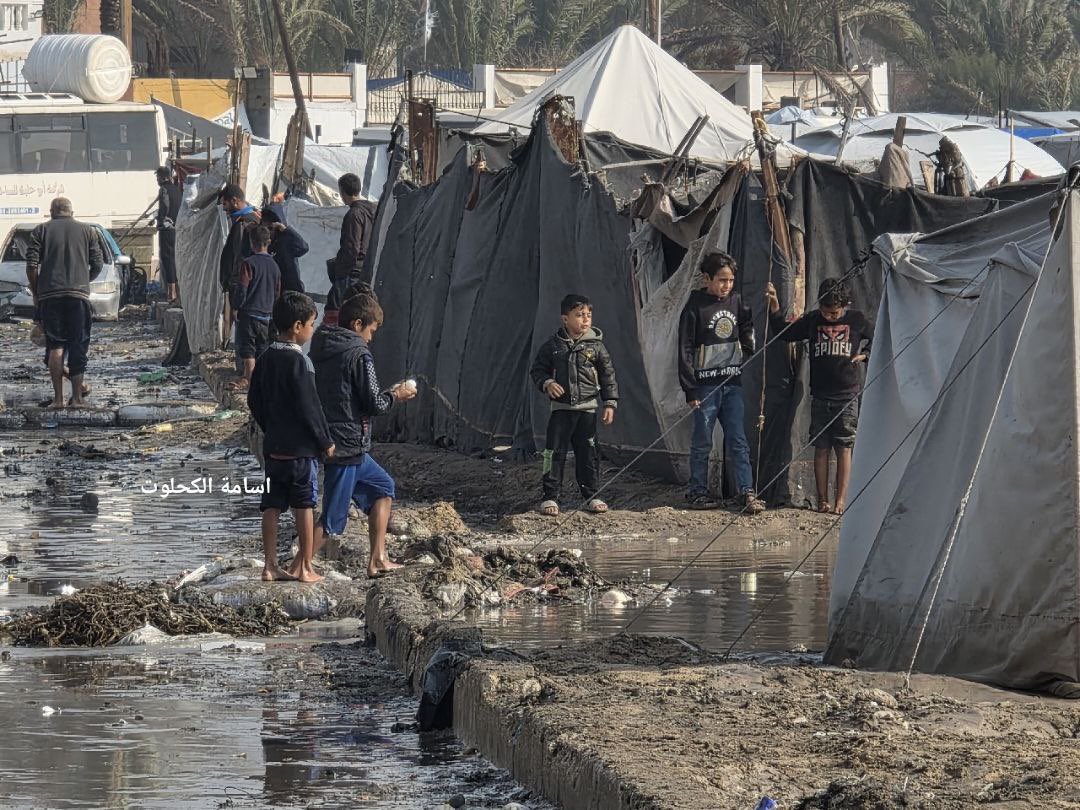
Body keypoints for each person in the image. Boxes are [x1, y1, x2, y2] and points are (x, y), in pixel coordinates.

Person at [309, 293, 415, 578]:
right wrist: (396, 394)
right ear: (358, 324)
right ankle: (300, 565)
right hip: (348, 445)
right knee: (332, 519)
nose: (371, 338)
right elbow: (374, 404)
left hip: (334, 437)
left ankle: (378, 559)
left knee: (383, 487)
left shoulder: (321, 345)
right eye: (371, 330)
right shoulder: (358, 353)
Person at [248, 292, 335, 583]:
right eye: (311, 324)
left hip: (274, 449)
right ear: (298, 326)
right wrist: (325, 441)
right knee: (304, 505)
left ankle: (270, 565)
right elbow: (310, 407)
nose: (312, 330)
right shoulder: (301, 363)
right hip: (300, 452)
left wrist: (269, 425)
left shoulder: (265, 358)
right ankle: (305, 567)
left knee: (271, 505)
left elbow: (253, 400)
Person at [767, 278, 873, 515]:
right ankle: (823, 499)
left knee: (844, 446)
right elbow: (784, 332)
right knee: (821, 447)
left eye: (835, 313)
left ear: (845, 305)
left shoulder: (856, 320)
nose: (830, 317)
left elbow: (879, 336)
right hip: (821, 395)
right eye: (826, 312)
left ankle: (841, 500)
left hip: (847, 395)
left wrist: (864, 355)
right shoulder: (814, 320)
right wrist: (774, 305)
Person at [677, 252, 765, 513]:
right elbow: (684, 349)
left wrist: (747, 345)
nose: (727, 285)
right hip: (705, 385)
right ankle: (697, 491)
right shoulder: (695, 307)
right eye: (722, 280)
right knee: (703, 439)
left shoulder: (736, 301)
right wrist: (690, 387)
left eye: (731, 280)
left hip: (732, 382)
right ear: (707, 278)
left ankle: (745, 491)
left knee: (738, 438)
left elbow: (747, 324)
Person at [529, 293, 618, 517]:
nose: (585, 320)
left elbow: (608, 375)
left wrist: (609, 402)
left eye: (588, 315)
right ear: (565, 319)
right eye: (579, 315)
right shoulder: (553, 346)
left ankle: (592, 495)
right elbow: (537, 370)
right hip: (561, 410)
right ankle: (550, 497)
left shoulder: (596, 346)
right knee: (554, 453)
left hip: (587, 409)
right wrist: (547, 383)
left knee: (588, 453)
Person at [25, 197, 103, 410]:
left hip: (49, 297)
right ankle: (77, 399)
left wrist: (36, 292)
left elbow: (31, 265)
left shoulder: (40, 231)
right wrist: (83, 281)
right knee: (78, 345)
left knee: (56, 346)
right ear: (71, 211)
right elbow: (97, 263)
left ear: (52, 211)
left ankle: (58, 399)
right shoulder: (88, 231)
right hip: (78, 297)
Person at [229, 225, 282, 390]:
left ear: (252, 243)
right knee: (262, 348)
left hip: (249, 314)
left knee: (248, 349)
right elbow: (277, 292)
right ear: (269, 242)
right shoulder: (275, 266)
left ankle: (250, 381)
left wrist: (236, 307)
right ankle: (260, 382)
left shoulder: (248, 263)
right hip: (266, 315)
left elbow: (243, 288)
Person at [326, 172, 376, 321]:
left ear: (342, 191)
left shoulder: (354, 214)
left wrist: (340, 270)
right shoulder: (373, 211)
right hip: (367, 270)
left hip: (351, 272)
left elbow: (351, 248)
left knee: (335, 311)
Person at [218, 183, 260, 346]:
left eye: (225, 204)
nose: (224, 209)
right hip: (242, 283)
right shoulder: (244, 221)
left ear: (235, 201)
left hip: (242, 285)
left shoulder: (244, 224)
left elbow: (240, 258)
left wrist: (234, 283)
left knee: (243, 327)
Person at [261, 202, 309, 293]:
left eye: (270, 228)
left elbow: (304, 248)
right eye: (265, 228)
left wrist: (287, 230)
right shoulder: (263, 241)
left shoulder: (286, 238)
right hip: (271, 289)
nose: (268, 232)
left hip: (290, 289)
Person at [154, 166, 181, 303]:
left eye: (157, 177)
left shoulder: (163, 189)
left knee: (167, 259)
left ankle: (171, 293)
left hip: (167, 228)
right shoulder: (177, 189)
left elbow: (164, 206)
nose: (157, 180)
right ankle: (176, 291)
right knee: (175, 258)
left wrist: (160, 220)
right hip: (177, 228)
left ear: (162, 177)